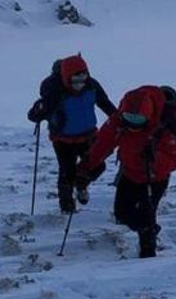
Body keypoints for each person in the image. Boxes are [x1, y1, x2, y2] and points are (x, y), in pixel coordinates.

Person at [78, 85, 176, 258]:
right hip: (129, 173)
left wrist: (154, 158)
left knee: (147, 213)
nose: (132, 124)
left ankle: (148, 253)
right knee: (122, 213)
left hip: (154, 178)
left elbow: (172, 161)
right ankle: (149, 229)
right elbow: (102, 144)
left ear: (148, 117)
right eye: (129, 118)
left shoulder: (163, 127)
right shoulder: (118, 122)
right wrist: (86, 166)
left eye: (138, 120)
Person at [26, 54, 117, 214]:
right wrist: (38, 111)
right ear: (67, 78)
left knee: (98, 166)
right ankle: (67, 207)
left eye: (83, 79)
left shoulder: (92, 86)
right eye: (75, 81)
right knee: (66, 172)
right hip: (63, 140)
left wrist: (119, 120)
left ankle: (81, 184)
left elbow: (105, 104)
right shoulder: (56, 91)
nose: (79, 85)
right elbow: (34, 116)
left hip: (89, 136)